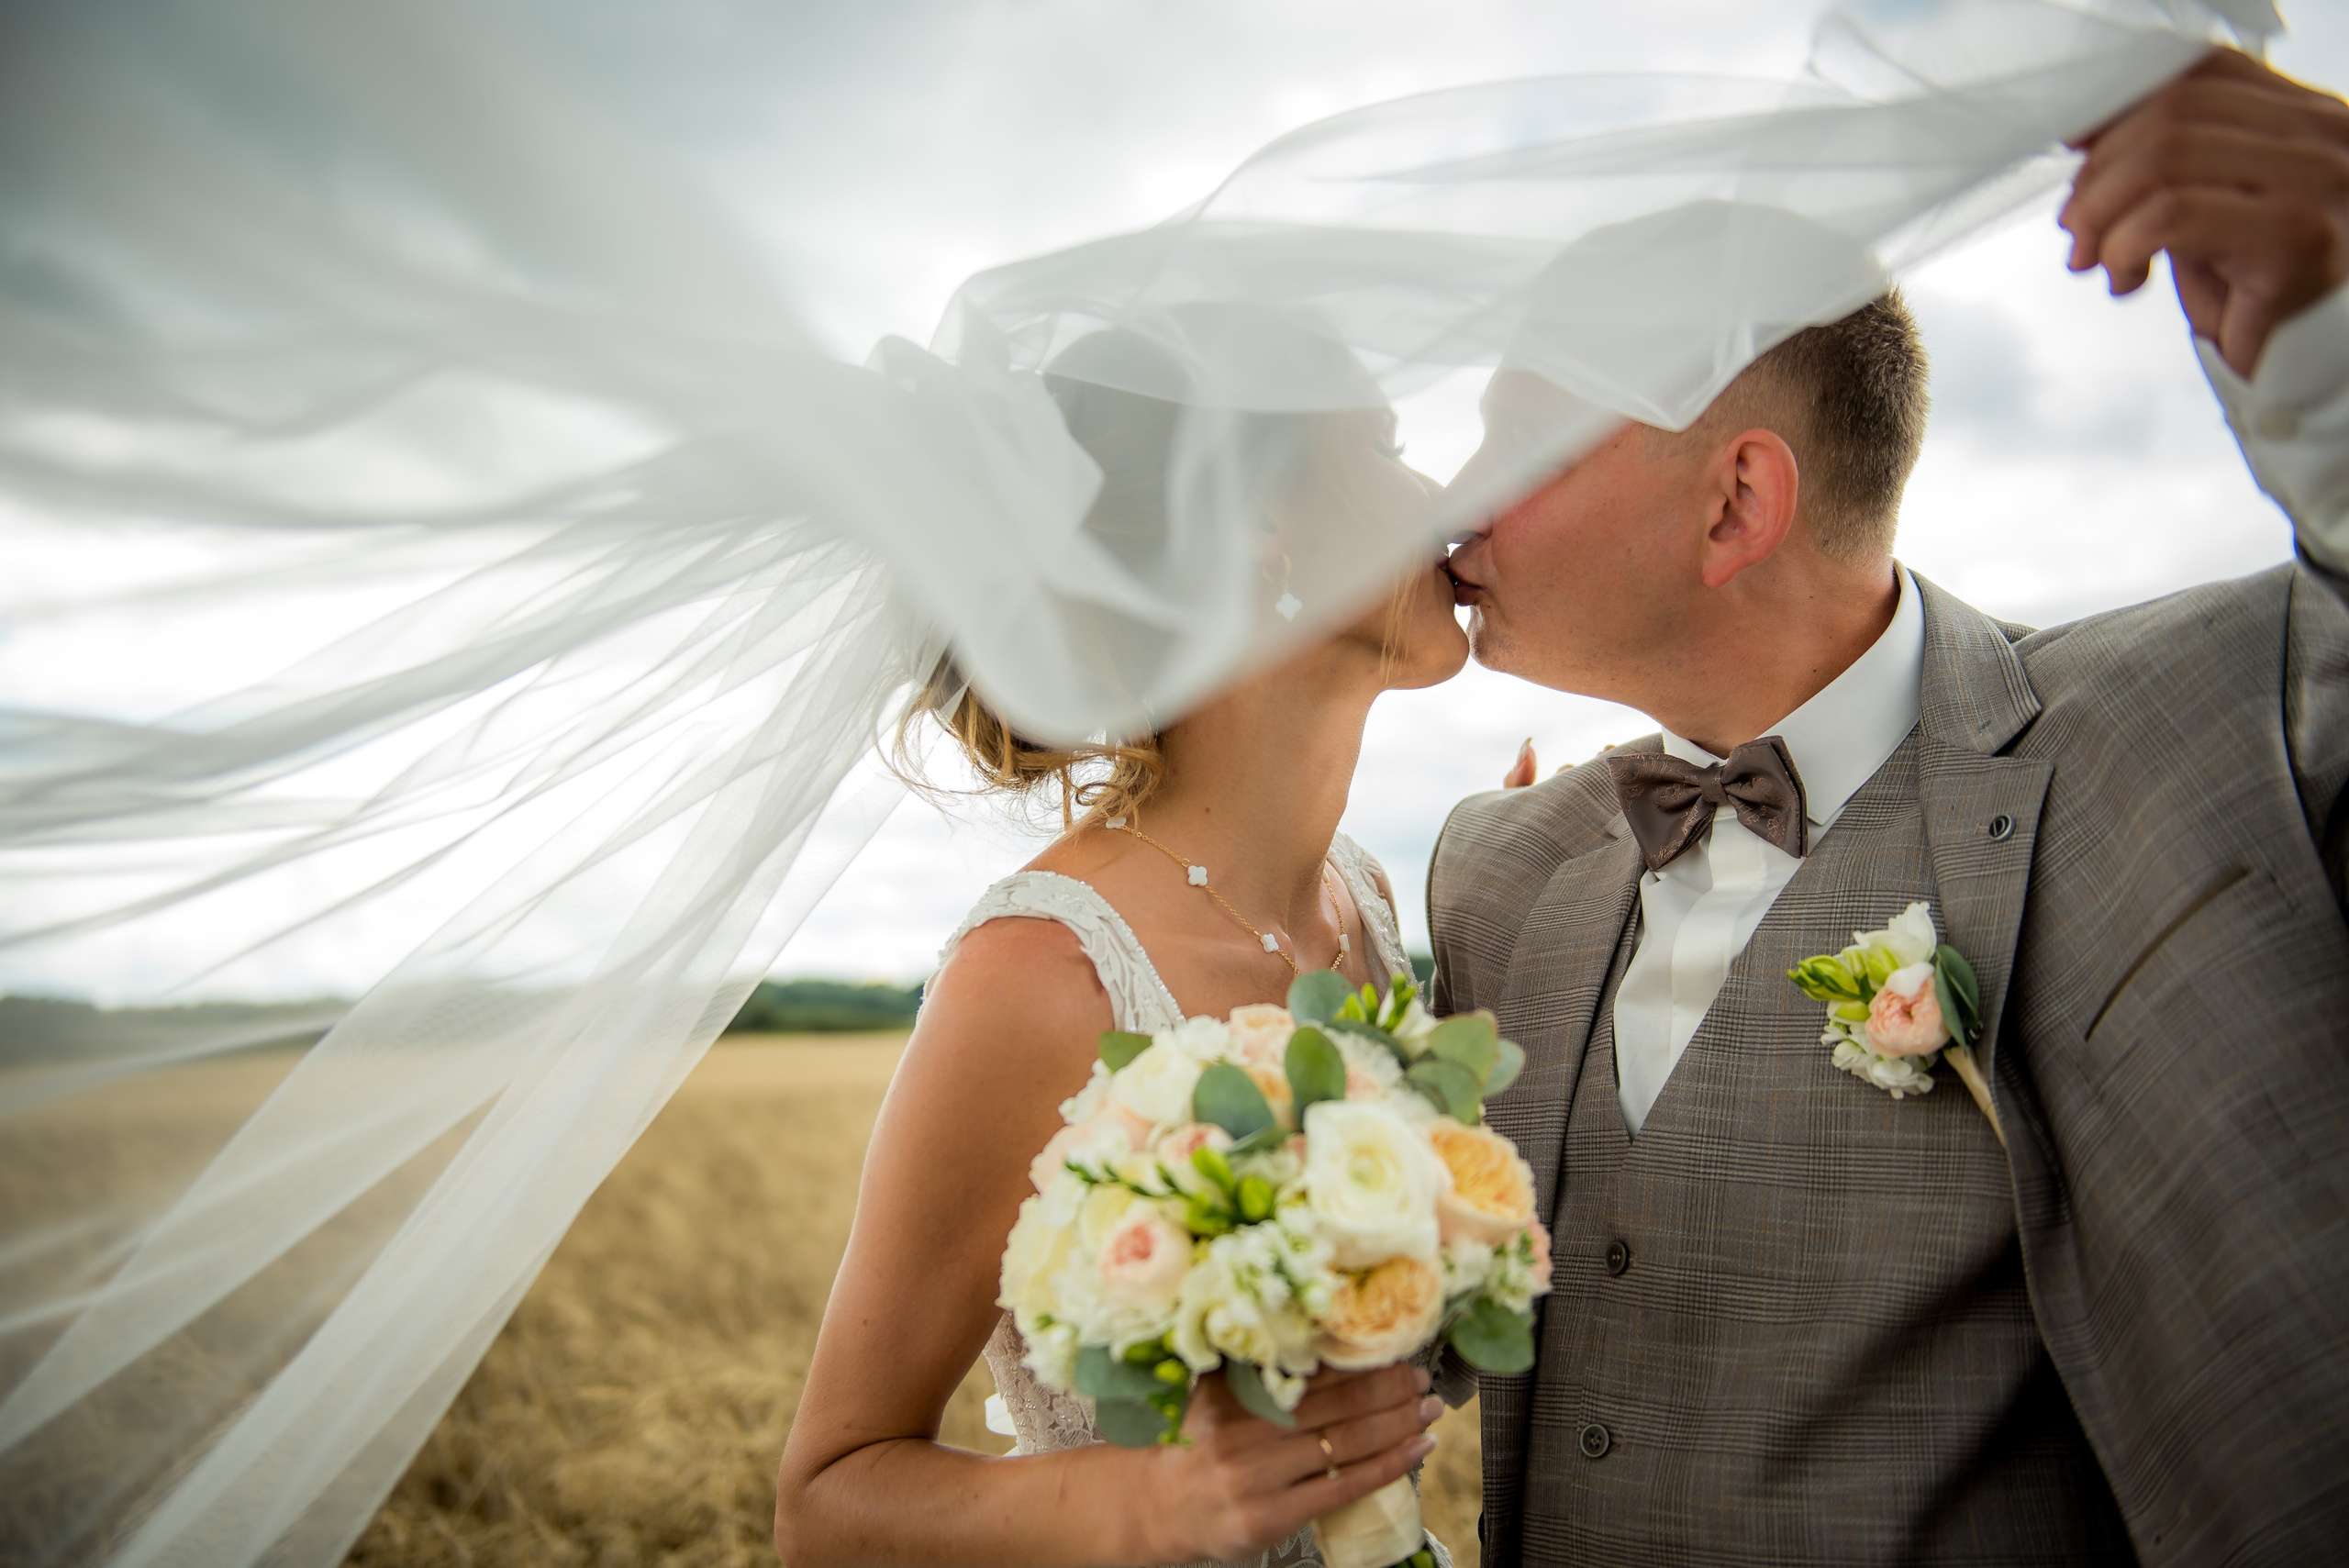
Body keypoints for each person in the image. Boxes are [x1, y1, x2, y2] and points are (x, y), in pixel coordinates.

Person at [1430, 49, 2349, 1565]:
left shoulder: (2178, 725)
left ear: (1735, 503)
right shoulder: (1491, 872)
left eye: (1513, 439)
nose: (1449, 499)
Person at [772, 347, 1468, 1568]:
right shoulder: (1044, 976)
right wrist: (1155, 1502)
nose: (1441, 492)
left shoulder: (1360, 901)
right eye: (1381, 445)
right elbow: (824, 1504)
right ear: (1258, 528)